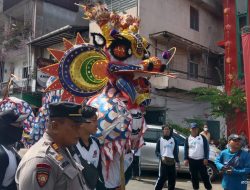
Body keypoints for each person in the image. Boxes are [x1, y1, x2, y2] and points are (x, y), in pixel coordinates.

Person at [15, 102, 90, 190]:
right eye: (75, 126)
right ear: (55, 126)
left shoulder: (60, 149)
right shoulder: (41, 160)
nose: (79, 132)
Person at [69, 105, 106, 190]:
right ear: (81, 123)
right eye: (94, 120)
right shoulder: (70, 145)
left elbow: (98, 172)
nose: (97, 124)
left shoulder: (96, 143)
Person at [0, 110, 28, 190]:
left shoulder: (10, 147)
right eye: (18, 124)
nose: (22, 127)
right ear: (6, 128)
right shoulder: (2, 155)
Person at [184, 122, 212, 190]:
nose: (194, 130)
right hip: (192, 160)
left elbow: (206, 148)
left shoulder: (202, 138)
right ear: (190, 129)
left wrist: (206, 158)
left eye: (195, 128)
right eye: (193, 128)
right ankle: (195, 188)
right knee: (194, 176)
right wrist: (185, 159)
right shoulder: (188, 138)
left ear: (198, 129)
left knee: (204, 176)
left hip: (201, 160)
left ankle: (208, 188)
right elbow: (186, 149)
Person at [154, 124, 180, 190]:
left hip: (172, 161)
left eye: (168, 129)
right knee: (162, 178)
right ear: (163, 130)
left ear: (170, 130)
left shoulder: (173, 140)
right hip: (163, 161)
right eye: (165, 129)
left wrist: (177, 162)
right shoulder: (160, 140)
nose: (167, 130)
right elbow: (156, 151)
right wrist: (161, 157)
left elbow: (175, 152)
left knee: (172, 179)